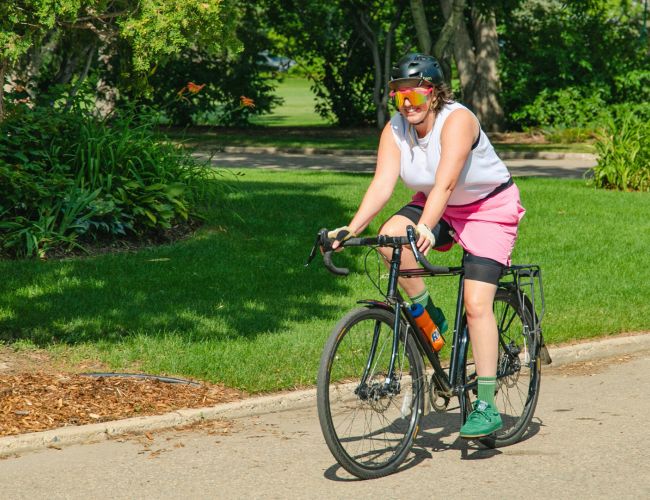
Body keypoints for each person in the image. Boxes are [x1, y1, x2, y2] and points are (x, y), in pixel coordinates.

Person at [328, 53, 525, 438]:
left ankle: (486, 404)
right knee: (389, 241)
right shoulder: (396, 129)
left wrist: (426, 226)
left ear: (434, 94)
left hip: (486, 208)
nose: (406, 104)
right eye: (398, 96)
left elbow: (446, 184)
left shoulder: (458, 120)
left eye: (414, 96)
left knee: (476, 303)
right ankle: (430, 316)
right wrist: (350, 230)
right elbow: (383, 184)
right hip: (434, 206)